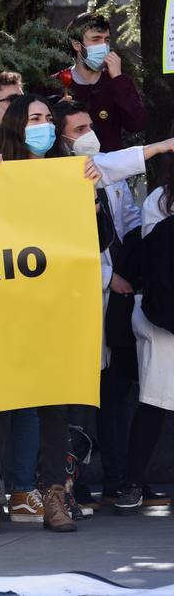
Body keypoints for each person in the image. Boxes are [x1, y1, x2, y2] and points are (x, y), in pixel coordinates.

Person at [0, 93, 101, 534]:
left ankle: (53, 497)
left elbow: (98, 241)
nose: (44, 125)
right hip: (2, 310)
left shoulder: (72, 174)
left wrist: (92, 195)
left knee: (53, 406)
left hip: (54, 307)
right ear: (15, 126)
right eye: (35, 118)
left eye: (48, 118)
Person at [52, 101, 174, 512]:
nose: (89, 134)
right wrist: (109, 278)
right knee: (89, 397)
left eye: (91, 124)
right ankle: (76, 484)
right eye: (79, 128)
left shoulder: (103, 174)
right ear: (61, 137)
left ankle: (119, 478)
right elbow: (59, 249)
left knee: (116, 389)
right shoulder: (55, 177)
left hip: (120, 300)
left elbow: (126, 226)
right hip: (88, 298)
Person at [127, 153, 174, 512]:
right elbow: (157, 259)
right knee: (155, 402)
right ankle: (132, 483)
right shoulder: (160, 200)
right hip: (163, 318)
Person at [64, 13, 145, 153]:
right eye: (96, 39)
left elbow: (137, 124)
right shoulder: (57, 82)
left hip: (111, 168)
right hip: (70, 169)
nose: (103, 46)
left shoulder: (117, 81)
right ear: (77, 44)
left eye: (106, 40)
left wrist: (118, 80)